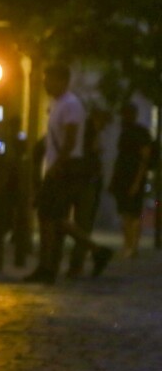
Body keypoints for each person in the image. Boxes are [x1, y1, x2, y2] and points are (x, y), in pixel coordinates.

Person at [23, 63, 112, 283]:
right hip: (59, 166)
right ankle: (52, 264)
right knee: (51, 217)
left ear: (62, 81)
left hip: (65, 168)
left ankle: (54, 265)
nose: (45, 84)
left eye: (49, 79)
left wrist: (56, 166)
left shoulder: (71, 105)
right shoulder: (57, 104)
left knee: (52, 216)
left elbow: (71, 140)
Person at [109, 102, 155, 259]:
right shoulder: (126, 131)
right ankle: (127, 244)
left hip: (133, 177)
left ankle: (133, 246)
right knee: (125, 213)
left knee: (133, 214)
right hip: (123, 177)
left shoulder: (141, 133)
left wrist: (137, 181)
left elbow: (144, 158)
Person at [68, 106, 110, 277]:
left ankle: (78, 264)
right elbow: (91, 152)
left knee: (81, 223)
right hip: (85, 180)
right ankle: (85, 259)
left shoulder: (90, 131)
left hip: (86, 179)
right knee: (81, 223)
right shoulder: (89, 131)